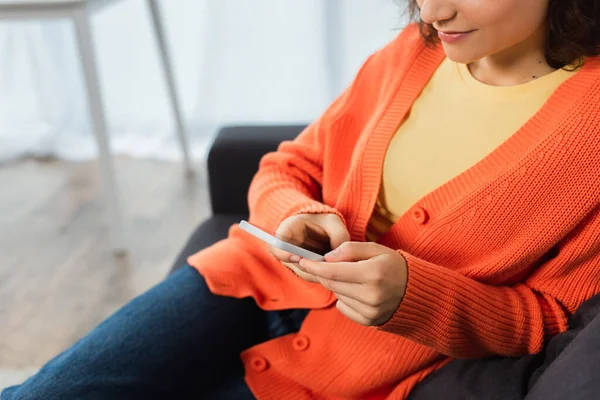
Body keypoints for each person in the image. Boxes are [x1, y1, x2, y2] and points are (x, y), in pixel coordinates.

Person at [4, 0, 600, 399]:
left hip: (362, 364)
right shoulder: (413, 53)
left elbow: (550, 319)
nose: (432, 8)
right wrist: (296, 218)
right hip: (243, 282)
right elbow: (286, 166)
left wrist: (412, 296)